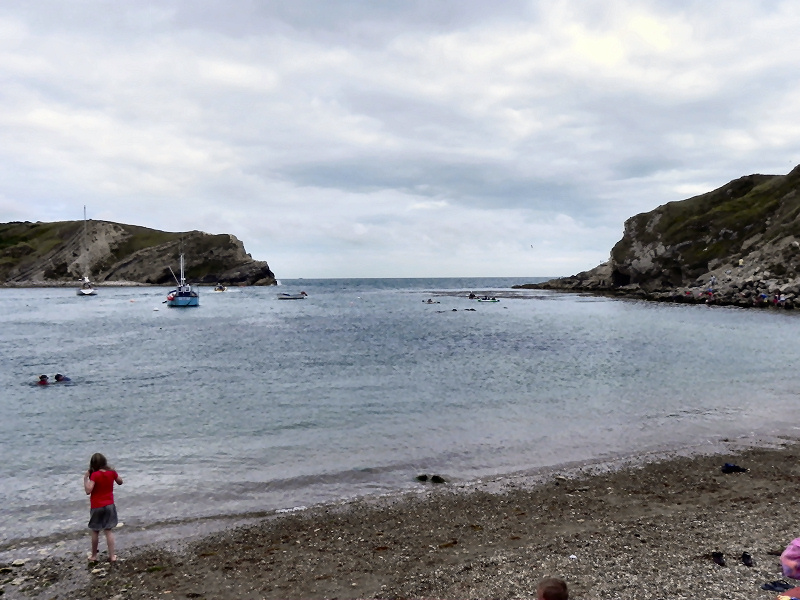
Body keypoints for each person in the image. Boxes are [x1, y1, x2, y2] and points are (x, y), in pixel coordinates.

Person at [83, 453, 123, 563]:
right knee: (108, 531)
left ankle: (94, 556)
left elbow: (88, 491)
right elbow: (120, 482)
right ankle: (112, 556)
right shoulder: (112, 473)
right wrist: (114, 474)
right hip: (109, 504)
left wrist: (86, 478)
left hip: (97, 506)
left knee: (95, 530)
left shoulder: (95, 475)